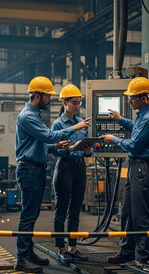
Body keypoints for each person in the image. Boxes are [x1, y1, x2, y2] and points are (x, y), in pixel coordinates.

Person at [14, 76, 91, 273]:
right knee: (28, 215)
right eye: (48, 96)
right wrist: (74, 128)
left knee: (32, 214)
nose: (50, 100)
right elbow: (47, 135)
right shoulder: (28, 116)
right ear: (38, 95)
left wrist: (55, 146)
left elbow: (43, 143)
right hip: (29, 169)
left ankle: (28, 252)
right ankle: (22, 258)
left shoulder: (35, 114)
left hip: (36, 169)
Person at [101, 77, 149, 265]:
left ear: (144, 98)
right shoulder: (143, 116)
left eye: (133, 98)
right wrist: (121, 120)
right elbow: (136, 128)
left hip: (142, 168)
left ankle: (144, 258)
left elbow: (134, 144)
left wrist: (114, 140)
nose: (129, 101)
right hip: (136, 168)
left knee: (141, 215)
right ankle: (127, 251)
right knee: (127, 212)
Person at [50, 84, 92, 264]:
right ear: (65, 103)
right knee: (62, 209)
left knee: (75, 210)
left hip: (79, 167)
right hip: (64, 167)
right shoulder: (58, 124)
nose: (77, 106)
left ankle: (73, 248)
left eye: (79, 103)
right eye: (74, 103)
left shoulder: (82, 122)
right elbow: (54, 150)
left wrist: (89, 151)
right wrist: (68, 150)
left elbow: (89, 148)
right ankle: (61, 248)